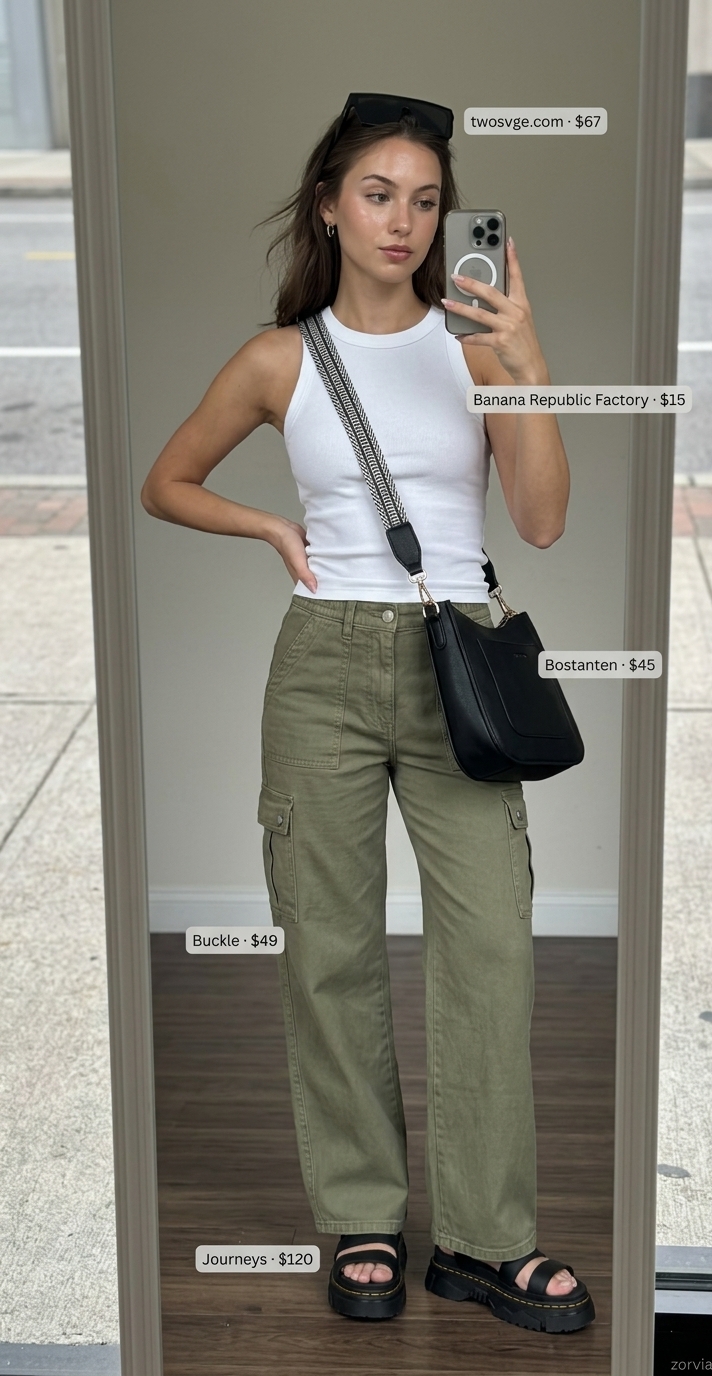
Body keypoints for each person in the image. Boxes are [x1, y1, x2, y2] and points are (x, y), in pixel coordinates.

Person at [141, 92, 594, 1335]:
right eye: (380, 194)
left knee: (491, 947)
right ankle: (364, 1220)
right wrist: (267, 526)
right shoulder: (277, 356)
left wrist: (529, 357)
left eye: (428, 199)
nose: (404, 220)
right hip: (324, 667)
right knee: (329, 950)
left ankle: (490, 1243)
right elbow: (164, 482)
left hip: (463, 662)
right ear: (332, 204)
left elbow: (543, 520)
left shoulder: (476, 344)